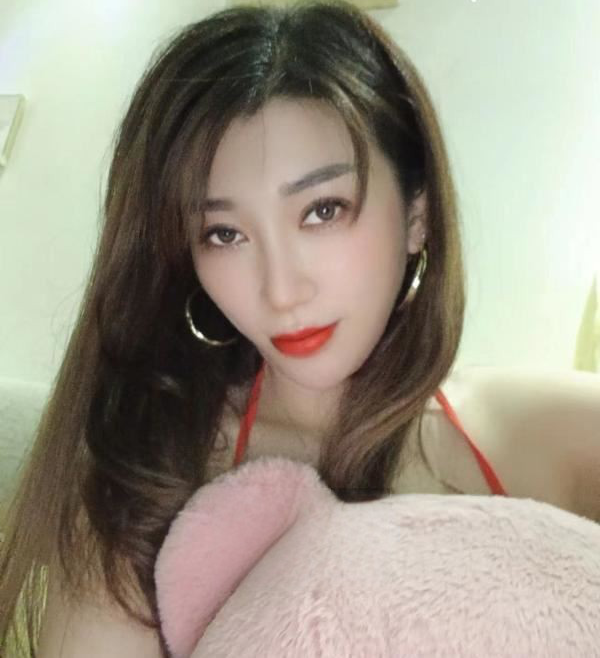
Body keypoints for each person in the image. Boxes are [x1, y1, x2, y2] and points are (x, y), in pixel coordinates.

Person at [1, 1, 598, 656]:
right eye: (224, 233)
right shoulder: (149, 480)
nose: (281, 291)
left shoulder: (548, 433)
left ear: (417, 216)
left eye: (322, 210)